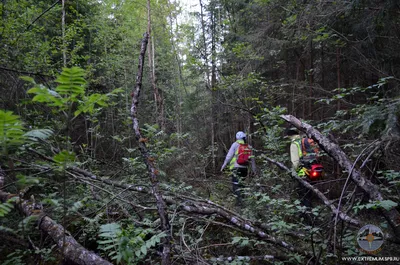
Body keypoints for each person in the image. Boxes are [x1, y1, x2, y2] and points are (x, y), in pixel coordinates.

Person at [220, 131, 256, 205]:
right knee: (242, 184)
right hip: (245, 168)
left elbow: (228, 157)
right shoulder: (249, 146)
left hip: (236, 168)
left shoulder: (235, 145)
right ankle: (243, 200)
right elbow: (252, 160)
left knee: (236, 184)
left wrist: (223, 166)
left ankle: (239, 203)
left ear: (237, 137)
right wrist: (254, 170)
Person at [286, 127, 312, 208]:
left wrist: (293, 172)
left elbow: (295, 161)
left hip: (302, 172)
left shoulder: (294, 144)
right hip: (312, 170)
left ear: (290, 136)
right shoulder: (305, 141)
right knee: (310, 193)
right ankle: (311, 210)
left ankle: (305, 213)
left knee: (303, 195)